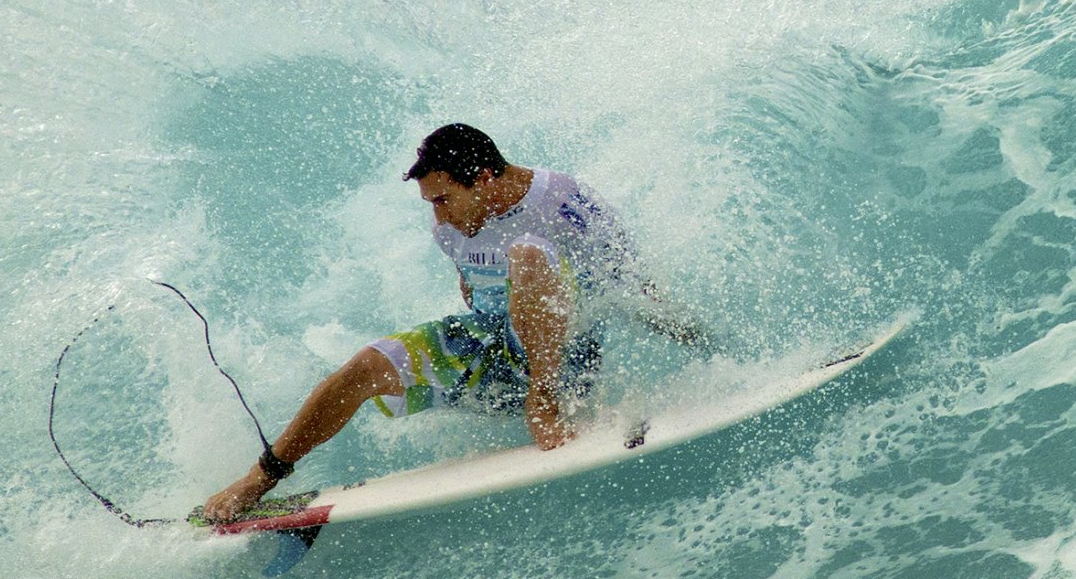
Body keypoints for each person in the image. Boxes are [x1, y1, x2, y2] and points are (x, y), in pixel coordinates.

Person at [202, 122, 708, 524]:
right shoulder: (450, 225)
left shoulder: (565, 203)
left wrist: (705, 344)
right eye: (431, 204)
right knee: (366, 366)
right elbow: (472, 291)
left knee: (528, 256)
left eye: (443, 200)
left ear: (486, 177)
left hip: (568, 364)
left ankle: (545, 403)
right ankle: (259, 479)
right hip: (498, 353)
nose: (438, 218)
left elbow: (637, 289)